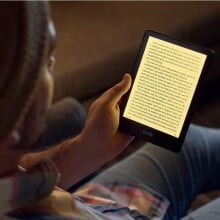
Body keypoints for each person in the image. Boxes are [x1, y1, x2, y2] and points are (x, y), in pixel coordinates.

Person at [1, 2, 220, 220]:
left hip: (92, 206)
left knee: (191, 143)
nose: (53, 64)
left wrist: (85, 147)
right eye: (46, 64)